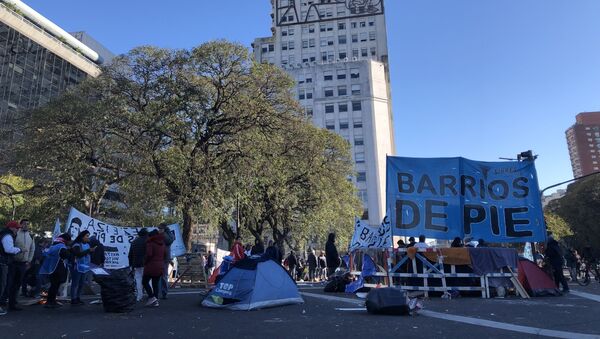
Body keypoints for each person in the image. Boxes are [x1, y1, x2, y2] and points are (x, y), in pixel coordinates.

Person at [4, 219, 35, 310]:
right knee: (8, 283)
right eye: (24, 224)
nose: (26, 225)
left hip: (23, 264)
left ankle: (13, 303)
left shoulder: (30, 236)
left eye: (28, 224)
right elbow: (9, 246)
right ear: (20, 225)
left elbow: (32, 249)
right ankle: (3, 301)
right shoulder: (15, 234)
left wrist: (29, 261)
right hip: (13, 262)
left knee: (17, 284)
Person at [39, 233, 71, 308]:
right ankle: (50, 302)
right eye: (69, 241)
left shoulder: (53, 245)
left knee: (53, 286)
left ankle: (51, 301)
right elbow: (66, 256)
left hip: (51, 268)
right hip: (57, 269)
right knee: (55, 286)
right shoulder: (61, 247)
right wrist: (70, 251)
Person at [0, 221, 22, 315]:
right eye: (17, 228)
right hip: (2, 263)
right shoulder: (8, 236)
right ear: (12, 228)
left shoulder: (3, 234)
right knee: (2, 284)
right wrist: (19, 249)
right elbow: (8, 249)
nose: (17, 230)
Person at [70, 230, 95, 305]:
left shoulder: (87, 244)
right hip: (77, 267)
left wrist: (91, 251)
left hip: (85, 267)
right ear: (82, 237)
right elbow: (78, 254)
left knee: (81, 284)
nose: (88, 237)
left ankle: (78, 297)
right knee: (75, 284)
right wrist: (88, 250)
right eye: (87, 236)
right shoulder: (76, 245)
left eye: (88, 236)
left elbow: (87, 254)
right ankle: (73, 299)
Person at [143, 229, 166, 307]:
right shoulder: (162, 244)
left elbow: (149, 254)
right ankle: (156, 301)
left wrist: (145, 262)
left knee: (144, 282)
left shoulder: (150, 243)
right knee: (155, 283)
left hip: (151, 265)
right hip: (160, 266)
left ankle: (152, 297)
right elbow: (165, 255)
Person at [128, 228, 148, 302]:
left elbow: (130, 255)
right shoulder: (147, 241)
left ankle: (139, 296)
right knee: (148, 280)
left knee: (138, 279)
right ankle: (150, 295)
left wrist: (130, 264)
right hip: (146, 263)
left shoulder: (134, 242)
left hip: (136, 263)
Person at [157, 223, 174, 300]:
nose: (159, 230)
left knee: (162, 276)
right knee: (163, 276)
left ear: (164, 229)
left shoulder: (166, 235)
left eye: (160, 229)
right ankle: (162, 292)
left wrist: (163, 233)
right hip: (163, 258)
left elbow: (169, 241)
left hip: (162, 258)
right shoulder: (168, 235)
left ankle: (162, 293)